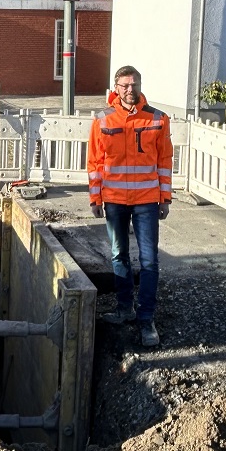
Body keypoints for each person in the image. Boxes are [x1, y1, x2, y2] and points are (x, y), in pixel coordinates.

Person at [87, 65, 173, 347]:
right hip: (114, 201)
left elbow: (164, 161)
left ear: (140, 85)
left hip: (147, 201)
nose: (129, 89)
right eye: (124, 85)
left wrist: (166, 197)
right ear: (116, 87)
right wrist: (95, 197)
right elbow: (95, 162)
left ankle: (146, 319)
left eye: (134, 84)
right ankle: (125, 309)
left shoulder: (158, 119)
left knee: (149, 262)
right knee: (118, 256)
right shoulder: (102, 119)